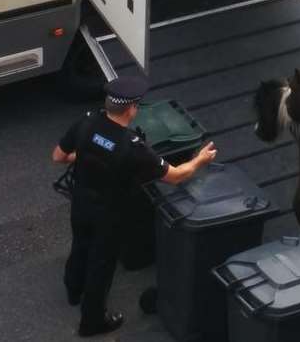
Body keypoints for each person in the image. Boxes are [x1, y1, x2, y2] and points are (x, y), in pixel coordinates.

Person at [52, 75, 217, 337]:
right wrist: (199, 160)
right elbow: (175, 176)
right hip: (109, 213)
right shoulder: (133, 148)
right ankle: (92, 321)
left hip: (81, 201)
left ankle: (73, 289)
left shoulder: (86, 123)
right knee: (101, 265)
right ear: (131, 109)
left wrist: (87, 152)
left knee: (80, 244)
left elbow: (59, 156)